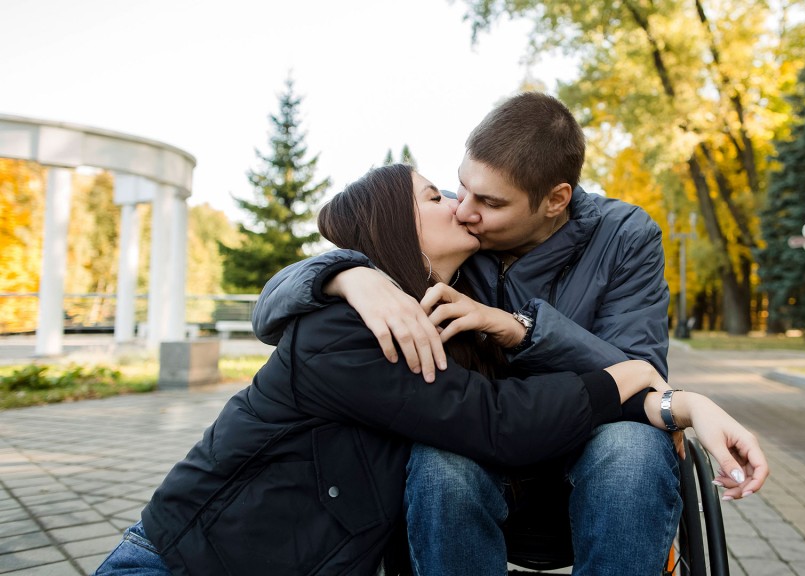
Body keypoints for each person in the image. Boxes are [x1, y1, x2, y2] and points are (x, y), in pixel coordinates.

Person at [93, 164, 759, 576]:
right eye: (436, 195)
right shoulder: (347, 329)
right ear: (395, 226)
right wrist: (631, 375)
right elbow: (499, 424)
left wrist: (685, 405)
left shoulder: (447, 309)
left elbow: (514, 397)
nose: (461, 207)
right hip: (183, 566)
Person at [251, 93, 769, 575]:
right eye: (461, 186)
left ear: (555, 200)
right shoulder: (456, 228)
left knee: (631, 453)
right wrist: (345, 274)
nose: (464, 208)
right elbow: (285, 298)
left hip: (595, 446)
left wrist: (522, 331)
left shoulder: (626, 236)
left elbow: (639, 372)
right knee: (439, 464)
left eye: (492, 203)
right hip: (481, 441)